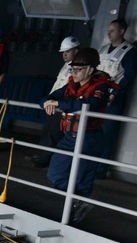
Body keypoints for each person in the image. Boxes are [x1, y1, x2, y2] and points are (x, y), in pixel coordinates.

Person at [42, 47, 114, 224]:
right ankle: (79, 201)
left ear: (90, 69)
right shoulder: (70, 86)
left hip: (89, 138)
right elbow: (46, 98)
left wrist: (61, 103)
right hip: (69, 137)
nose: (74, 72)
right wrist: (48, 102)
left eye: (78, 69)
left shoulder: (101, 88)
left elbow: (91, 104)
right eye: (72, 69)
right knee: (55, 174)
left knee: (83, 179)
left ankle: (77, 208)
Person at [95, 19, 137, 179]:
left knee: (107, 132)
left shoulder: (129, 51)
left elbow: (129, 76)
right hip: (96, 95)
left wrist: (115, 94)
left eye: (113, 30)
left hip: (113, 98)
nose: (109, 33)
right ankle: (88, 163)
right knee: (91, 129)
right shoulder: (103, 49)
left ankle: (100, 168)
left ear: (122, 31)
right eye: (109, 30)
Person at [32, 36, 80, 168]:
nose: (64, 55)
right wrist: (48, 100)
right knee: (47, 131)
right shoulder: (66, 66)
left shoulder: (77, 69)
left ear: (75, 51)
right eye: (63, 52)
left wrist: (57, 103)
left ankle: (45, 159)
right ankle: (42, 155)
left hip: (61, 107)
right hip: (53, 104)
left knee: (54, 134)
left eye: (67, 52)